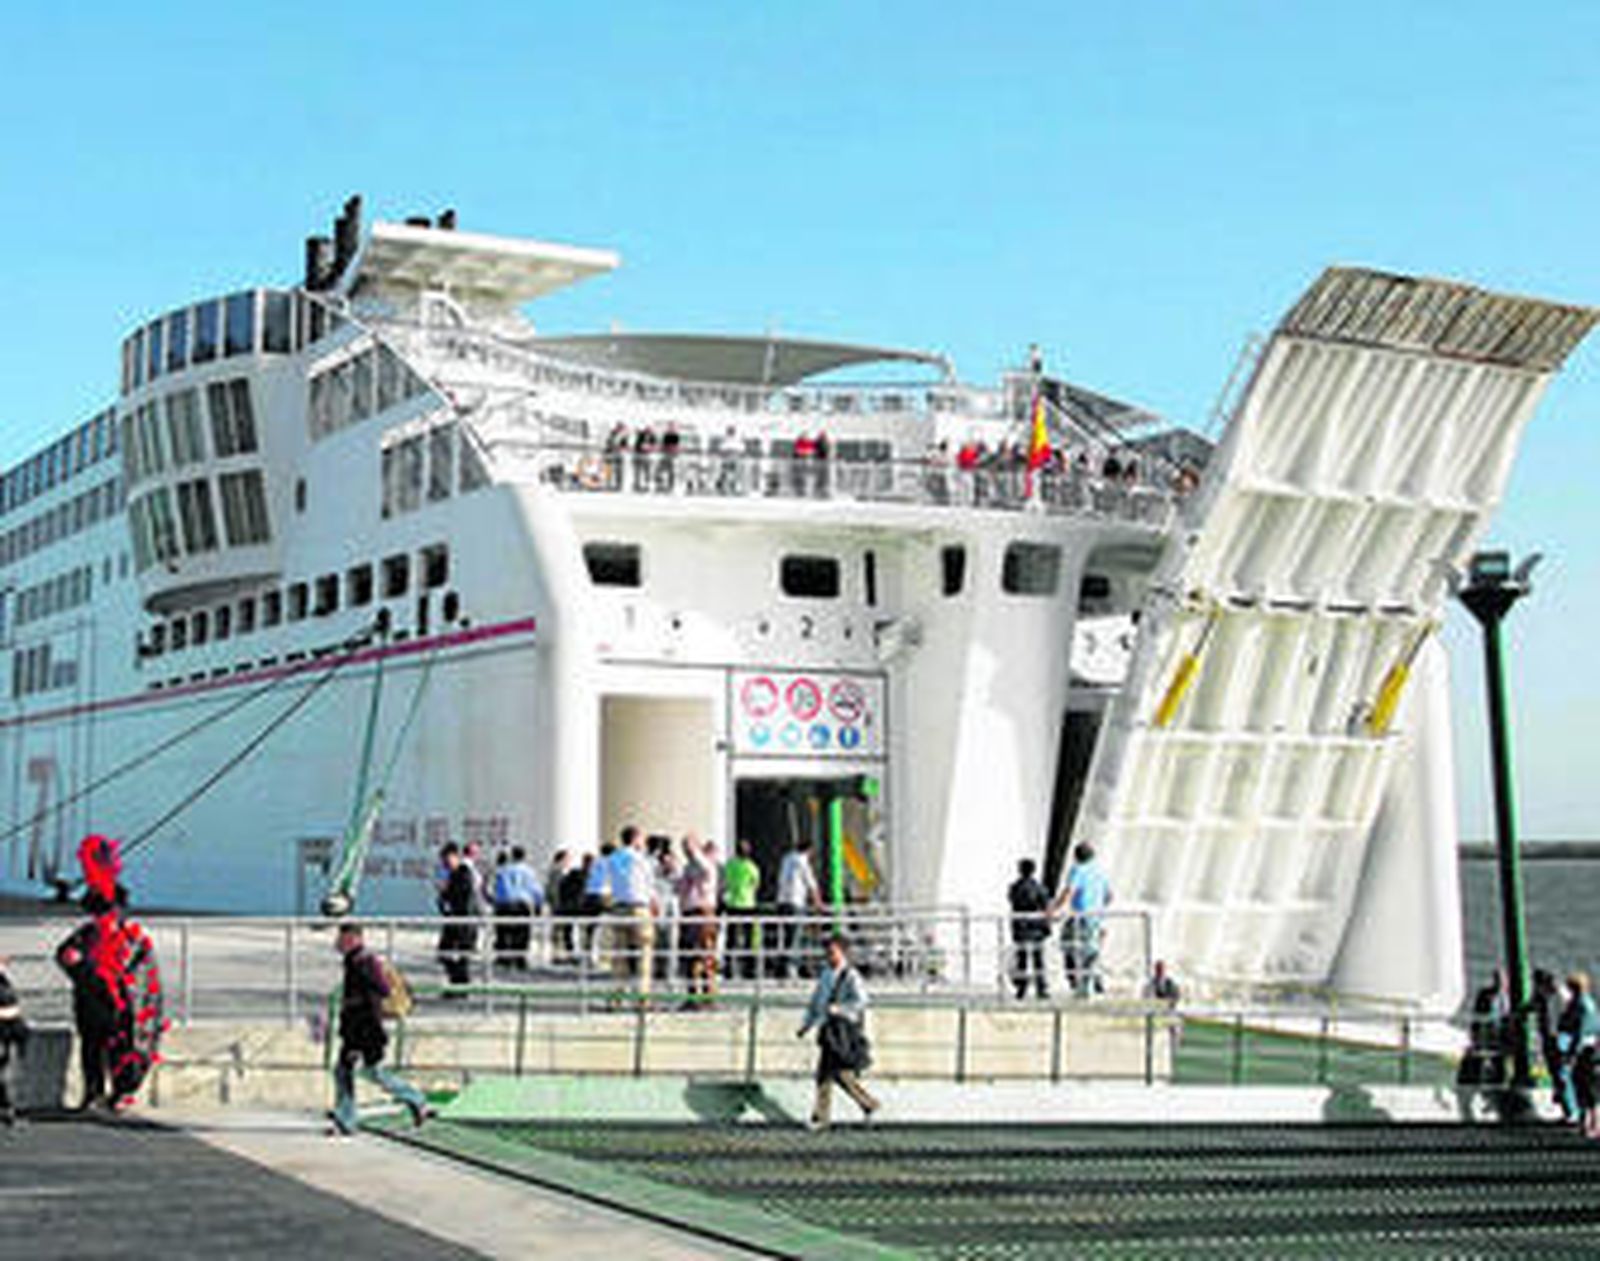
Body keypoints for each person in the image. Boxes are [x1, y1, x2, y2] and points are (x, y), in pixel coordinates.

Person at [328, 923, 430, 1136]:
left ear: (354, 938)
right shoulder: (353, 961)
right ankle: (346, 1120)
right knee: (349, 1072)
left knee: (368, 1072)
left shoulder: (364, 961)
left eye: (342, 938)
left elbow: (382, 989)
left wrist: (358, 1030)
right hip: (357, 1029)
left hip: (365, 1030)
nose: (338, 942)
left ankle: (416, 1100)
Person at [797, 934, 879, 1130]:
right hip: (827, 1030)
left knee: (835, 1074)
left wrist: (840, 1009)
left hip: (842, 1030)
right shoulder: (826, 974)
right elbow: (816, 1002)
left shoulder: (851, 976)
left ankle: (864, 1105)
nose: (828, 956)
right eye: (827, 952)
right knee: (826, 1075)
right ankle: (827, 1115)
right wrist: (806, 1024)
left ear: (842, 952)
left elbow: (861, 1001)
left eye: (832, 952)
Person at [1050, 842, 1113, 997]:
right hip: (1096, 918)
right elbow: (1109, 896)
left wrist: (1054, 909)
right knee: (1090, 951)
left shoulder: (1078, 869)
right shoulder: (1100, 872)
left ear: (1076, 856)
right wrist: (1099, 907)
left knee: (1067, 944)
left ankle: (1077, 981)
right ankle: (1094, 984)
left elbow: (1069, 891)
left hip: (1081, 917)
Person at [606, 828, 657, 998]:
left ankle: (617, 994)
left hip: (619, 907)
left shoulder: (612, 859)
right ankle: (642, 995)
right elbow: (649, 885)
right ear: (635, 839)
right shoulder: (640, 859)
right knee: (644, 951)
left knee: (619, 953)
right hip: (639, 907)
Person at [775, 839, 823, 980]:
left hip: (782, 902)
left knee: (785, 936)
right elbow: (811, 884)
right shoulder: (802, 861)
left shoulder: (786, 859)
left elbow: (780, 880)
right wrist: (818, 904)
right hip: (795, 902)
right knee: (796, 936)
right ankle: (792, 967)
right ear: (808, 850)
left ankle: (783, 966)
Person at [1558, 972, 1600, 1132]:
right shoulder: (1587, 1003)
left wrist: (1572, 1054)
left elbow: (1581, 1031)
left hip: (1585, 1050)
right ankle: (1587, 1123)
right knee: (1585, 1088)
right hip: (1590, 1048)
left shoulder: (1581, 1005)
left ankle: (1593, 1125)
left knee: (1587, 1088)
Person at [492, 846, 544, 970]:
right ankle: (520, 959)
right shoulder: (529, 871)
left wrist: (496, 903)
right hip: (522, 904)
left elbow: (498, 889)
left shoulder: (503, 870)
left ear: (512, 856)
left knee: (504, 932)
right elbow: (536, 890)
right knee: (522, 932)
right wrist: (538, 905)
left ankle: (505, 958)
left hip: (505, 904)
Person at [436, 843, 478, 992]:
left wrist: (446, 895)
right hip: (456, 920)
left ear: (455, 856)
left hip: (462, 922)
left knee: (458, 956)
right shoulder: (454, 874)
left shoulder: (463, 873)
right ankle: (458, 984)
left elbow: (463, 900)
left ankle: (459, 986)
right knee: (447, 955)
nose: (444, 863)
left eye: (446, 859)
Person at [1006, 859, 1051, 1000]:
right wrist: (1047, 926)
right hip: (1036, 927)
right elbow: (1045, 906)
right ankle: (1041, 988)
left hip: (1020, 927)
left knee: (1022, 959)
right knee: (1038, 959)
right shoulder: (1040, 888)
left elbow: (1012, 902)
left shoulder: (1014, 888)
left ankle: (1021, 988)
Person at [1458, 969, 1510, 1086]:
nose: (1500, 983)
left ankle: (1499, 1081)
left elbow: (1506, 1016)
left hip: (1499, 1034)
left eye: (1502, 980)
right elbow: (1478, 1014)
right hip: (1486, 1033)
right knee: (1482, 1057)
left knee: (1498, 1060)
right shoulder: (1485, 995)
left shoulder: (1506, 997)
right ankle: (1476, 1081)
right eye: (1498, 980)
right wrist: (1475, 1033)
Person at [721, 840, 762, 981]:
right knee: (750, 938)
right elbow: (755, 885)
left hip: (732, 904)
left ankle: (728, 968)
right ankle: (749, 969)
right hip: (748, 904)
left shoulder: (730, 865)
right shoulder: (752, 867)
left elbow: (725, 882)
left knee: (731, 938)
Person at [0, 956, 28, 1127]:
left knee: (6, 1071)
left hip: (10, 1028)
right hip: (3, 1028)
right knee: (3, 1073)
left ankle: (7, 1109)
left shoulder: (3, 980)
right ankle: (6, 1108)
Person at [582, 841, 617, 965]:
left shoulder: (595, 862)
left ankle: (589, 957)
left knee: (591, 928)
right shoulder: (612, 863)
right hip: (605, 895)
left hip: (589, 895)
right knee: (616, 925)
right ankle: (610, 956)